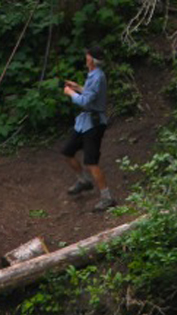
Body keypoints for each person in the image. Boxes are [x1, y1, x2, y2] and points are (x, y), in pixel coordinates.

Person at [61, 44, 115, 212]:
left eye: (87, 55)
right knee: (68, 151)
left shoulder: (97, 77)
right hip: (84, 123)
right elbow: (90, 94)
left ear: (91, 58)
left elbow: (86, 101)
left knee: (91, 162)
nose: (85, 58)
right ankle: (84, 181)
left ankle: (107, 198)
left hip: (94, 124)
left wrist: (71, 94)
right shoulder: (93, 75)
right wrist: (78, 88)